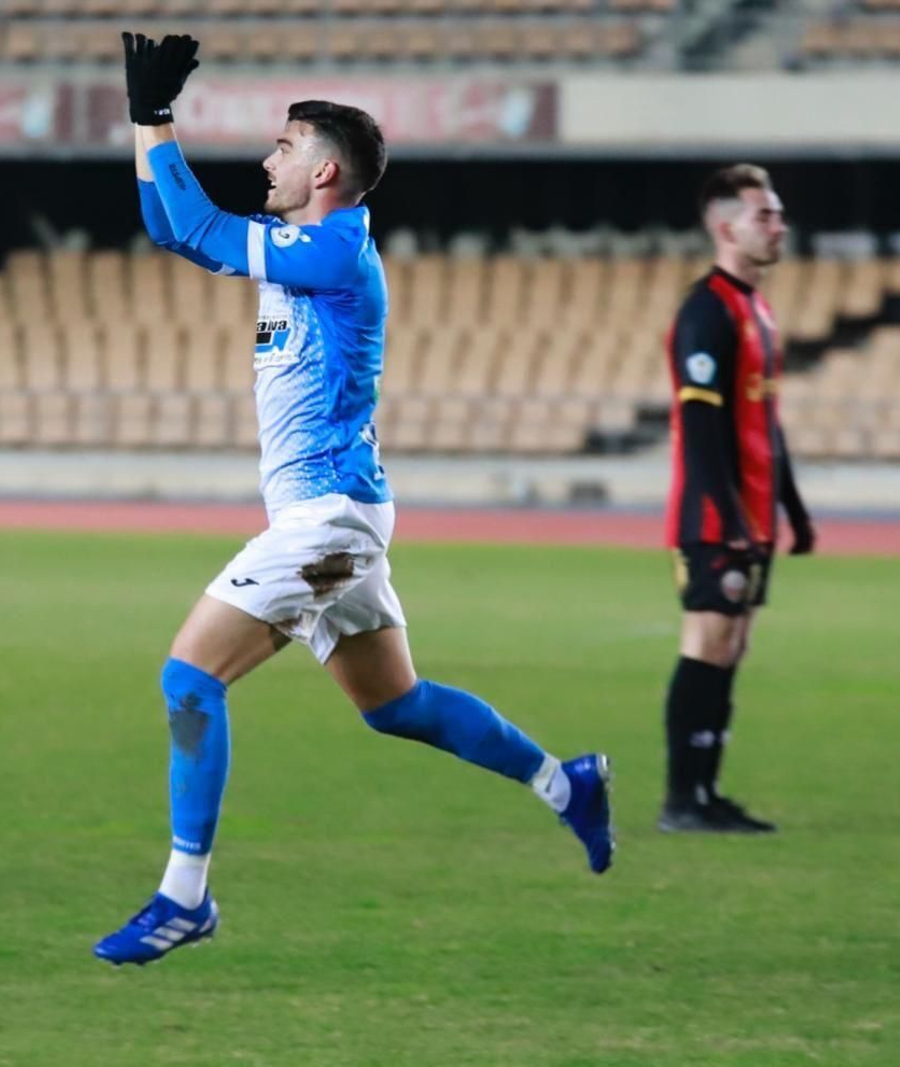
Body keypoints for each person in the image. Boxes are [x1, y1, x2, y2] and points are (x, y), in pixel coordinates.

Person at [93, 32, 614, 968]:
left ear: (324, 169)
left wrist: (155, 119)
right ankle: (563, 781)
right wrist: (145, 124)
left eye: (283, 147)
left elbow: (202, 231)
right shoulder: (305, 248)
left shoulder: (332, 252)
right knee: (396, 706)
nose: (267, 159)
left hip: (327, 517)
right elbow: (176, 229)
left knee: (189, 679)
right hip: (339, 516)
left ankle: (185, 896)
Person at [659, 164, 816, 835]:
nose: (778, 226)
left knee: (732, 644)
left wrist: (792, 508)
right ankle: (681, 800)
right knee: (707, 639)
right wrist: (733, 514)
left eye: (778, 214)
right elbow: (700, 427)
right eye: (765, 215)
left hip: (750, 514)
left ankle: (707, 790)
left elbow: (764, 423)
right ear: (726, 227)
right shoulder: (707, 310)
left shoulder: (759, 311)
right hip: (714, 514)